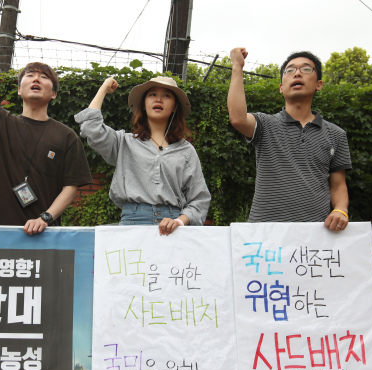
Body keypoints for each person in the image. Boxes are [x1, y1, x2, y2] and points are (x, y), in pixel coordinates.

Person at [0, 7, 92, 236]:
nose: (36, 79)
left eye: (44, 77)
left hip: (42, 235)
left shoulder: (66, 137)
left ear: (53, 94)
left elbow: (70, 188)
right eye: (30, 75)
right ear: (19, 90)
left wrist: (46, 217)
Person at [228, 47, 351, 231]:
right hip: (264, 234)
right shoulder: (265, 124)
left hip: (315, 235)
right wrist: (237, 66)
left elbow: (338, 185)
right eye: (290, 70)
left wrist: (341, 210)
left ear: (319, 84)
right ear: (281, 87)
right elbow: (238, 118)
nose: (298, 73)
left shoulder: (336, 134)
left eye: (306, 69)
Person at [74, 76, 210, 235]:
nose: (158, 99)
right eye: (152, 94)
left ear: (175, 107)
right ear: (144, 105)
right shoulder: (124, 143)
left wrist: (179, 221)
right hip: (131, 225)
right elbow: (91, 128)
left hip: (173, 230)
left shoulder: (186, 151)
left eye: (166, 95)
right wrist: (104, 88)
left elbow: (199, 199)